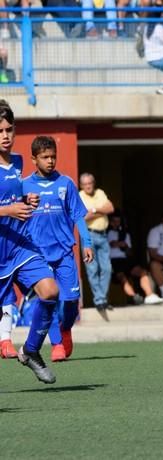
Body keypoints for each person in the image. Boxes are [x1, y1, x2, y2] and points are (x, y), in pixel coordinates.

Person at [0, 101, 60, 383]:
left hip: (20, 245)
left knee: (50, 291)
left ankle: (32, 350)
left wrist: (26, 201)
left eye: (9, 129)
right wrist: (8, 210)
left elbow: (14, 199)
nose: (5, 135)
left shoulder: (19, 162)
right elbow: (6, 206)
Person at [21, 136, 95, 363]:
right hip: (37, 255)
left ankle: (66, 328)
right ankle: (56, 345)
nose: (50, 161)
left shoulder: (66, 184)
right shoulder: (24, 185)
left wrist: (87, 243)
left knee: (71, 302)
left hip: (64, 253)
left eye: (53, 156)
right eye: (45, 157)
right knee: (49, 300)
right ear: (34, 159)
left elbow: (78, 216)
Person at [108, 213, 163, 306]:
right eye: (114, 221)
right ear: (110, 222)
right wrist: (118, 243)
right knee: (122, 278)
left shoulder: (125, 234)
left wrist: (125, 247)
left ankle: (149, 295)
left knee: (143, 272)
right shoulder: (105, 234)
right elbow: (112, 244)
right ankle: (134, 296)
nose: (116, 224)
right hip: (113, 261)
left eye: (118, 221)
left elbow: (129, 251)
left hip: (126, 260)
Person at [79, 172, 115, 313]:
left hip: (103, 234)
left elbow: (111, 208)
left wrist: (93, 210)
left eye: (90, 183)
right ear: (81, 185)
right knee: (92, 269)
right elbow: (82, 217)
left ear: (93, 183)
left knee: (106, 268)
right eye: (85, 184)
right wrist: (101, 211)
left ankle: (102, 298)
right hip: (89, 235)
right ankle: (100, 300)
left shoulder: (100, 193)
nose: (88, 186)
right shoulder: (80, 196)